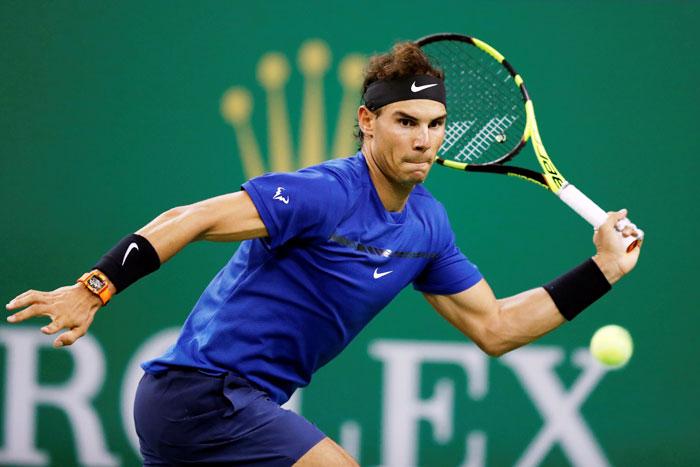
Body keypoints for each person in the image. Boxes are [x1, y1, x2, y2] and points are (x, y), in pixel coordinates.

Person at [5, 42, 642, 466]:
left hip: (237, 407)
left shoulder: (428, 227)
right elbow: (190, 219)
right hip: (201, 395)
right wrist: (95, 288)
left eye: (434, 125)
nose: (423, 140)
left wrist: (603, 270)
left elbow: (497, 327)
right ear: (368, 122)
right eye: (405, 122)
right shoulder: (321, 192)